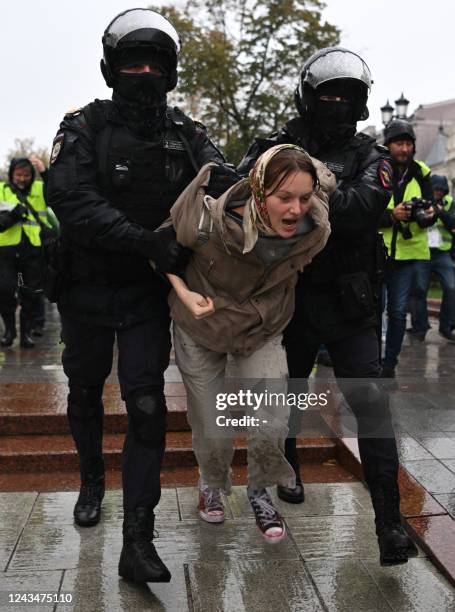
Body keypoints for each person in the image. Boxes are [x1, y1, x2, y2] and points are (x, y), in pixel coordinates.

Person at [46, 8, 236, 584]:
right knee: (83, 391)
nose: (145, 72)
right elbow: (72, 199)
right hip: (84, 289)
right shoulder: (83, 127)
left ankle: (137, 538)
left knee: (148, 406)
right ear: (112, 70)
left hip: (147, 295)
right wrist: (144, 241)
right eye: (134, 63)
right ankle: (90, 478)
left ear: (171, 71)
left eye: (155, 63)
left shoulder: (185, 132)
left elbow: (224, 183)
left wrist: (279, 184)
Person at [238, 47, 418, 565]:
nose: (336, 104)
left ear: (360, 104)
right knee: (287, 398)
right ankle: (288, 463)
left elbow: (360, 211)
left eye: (346, 97)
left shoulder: (374, 157)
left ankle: (390, 521)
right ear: (308, 98)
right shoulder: (272, 145)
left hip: (351, 302)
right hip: (288, 296)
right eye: (327, 96)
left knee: (372, 407)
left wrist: (294, 186)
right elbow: (245, 193)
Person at [166, 144, 332, 542]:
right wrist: (185, 294)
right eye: (284, 198)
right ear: (259, 192)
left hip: (262, 328)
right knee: (211, 422)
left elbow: (326, 183)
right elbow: (160, 253)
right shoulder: (208, 220)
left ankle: (260, 489)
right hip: (201, 326)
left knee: (273, 415)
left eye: (304, 198)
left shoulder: (317, 229)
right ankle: (212, 484)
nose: (295, 209)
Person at [380, 119, 436, 371]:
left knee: (398, 312)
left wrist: (429, 213)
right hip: (377, 252)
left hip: (407, 254)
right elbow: (365, 211)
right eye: (398, 144)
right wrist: (392, 215)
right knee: (372, 312)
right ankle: (370, 364)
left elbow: (428, 212)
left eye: (408, 144)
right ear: (388, 145)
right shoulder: (376, 169)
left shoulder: (422, 172)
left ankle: (389, 364)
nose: (404, 149)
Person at [0, 155, 50, 348]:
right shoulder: (2, 190)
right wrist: (13, 215)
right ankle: (10, 330)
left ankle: (26, 333)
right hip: (6, 251)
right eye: (18, 175)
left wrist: (45, 172)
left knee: (29, 293)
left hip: (32, 250)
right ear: (12, 174)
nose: (22, 179)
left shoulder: (39, 188)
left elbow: (57, 191)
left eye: (27, 175)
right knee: (4, 291)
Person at [409, 174, 455, 342]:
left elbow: (453, 223)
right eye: (435, 190)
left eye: (440, 190)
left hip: (442, 253)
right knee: (419, 289)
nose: (437, 193)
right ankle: (420, 327)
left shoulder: (449, 203)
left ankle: (446, 326)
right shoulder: (420, 200)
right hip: (422, 252)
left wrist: (440, 212)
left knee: (451, 287)